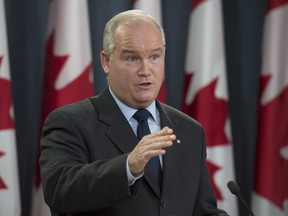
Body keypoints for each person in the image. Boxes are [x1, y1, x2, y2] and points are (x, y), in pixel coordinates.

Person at [40, 9, 229, 216]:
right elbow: (59, 192)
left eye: (154, 56)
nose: (146, 70)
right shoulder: (71, 122)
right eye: (132, 58)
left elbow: (203, 210)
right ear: (106, 61)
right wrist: (128, 167)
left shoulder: (189, 130)